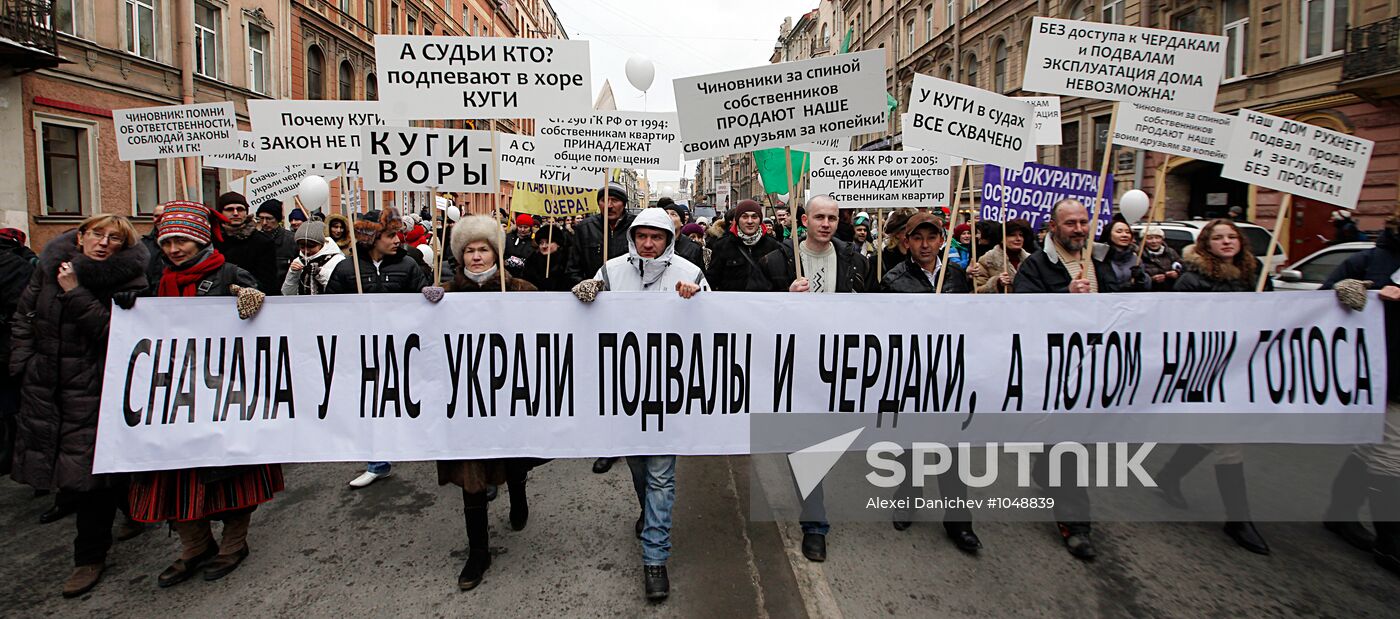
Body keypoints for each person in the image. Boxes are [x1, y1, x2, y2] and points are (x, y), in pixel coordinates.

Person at [128, 201, 279, 588]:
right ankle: (194, 547)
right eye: (168, 241)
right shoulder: (156, 277)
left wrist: (256, 302)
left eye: (182, 240)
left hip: (223, 394)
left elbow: (268, 322)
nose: (174, 249)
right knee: (175, 475)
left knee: (230, 475)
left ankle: (234, 544)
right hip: (172, 396)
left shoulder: (229, 272)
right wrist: (128, 305)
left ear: (199, 240)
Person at [569, 207, 707, 601]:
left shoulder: (689, 272)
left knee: (662, 474)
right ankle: (651, 514)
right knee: (639, 467)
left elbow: (714, 328)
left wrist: (696, 300)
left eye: (657, 237)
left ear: (668, 239)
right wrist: (587, 292)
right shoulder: (611, 270)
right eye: (642, 236)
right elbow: (584, 312)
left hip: (669, 393)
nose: (649, 244)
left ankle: (654, 557)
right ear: (632, 237)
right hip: (624, 392)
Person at [10, 215, 148, 597]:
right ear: (81, 235)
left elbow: (114, 335)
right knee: (82, 465)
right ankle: (135, 510)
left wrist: (75, 292)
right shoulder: (48, 268)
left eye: (114, 238)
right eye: (97, 234)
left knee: (90, 473)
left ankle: (88, 557)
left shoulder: (129, 281)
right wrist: (23, 365)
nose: (104, 243)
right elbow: (25, 317)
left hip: (96, 387)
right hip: (49, 384)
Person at [761, 195, 872, 564]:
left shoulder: (856, 260)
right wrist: (783, 299)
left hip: (842, 366)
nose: (826, 223)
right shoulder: (777, 260)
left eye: (833, 217)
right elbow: (751, 311)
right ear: (804, 220)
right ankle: (815, 525)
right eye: (819, 216)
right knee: (806, 448)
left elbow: (874, 308)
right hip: (796, 368)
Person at [1151, 219, 1272, 555]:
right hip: (1208, 369)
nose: (1226, 242)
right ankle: (1238, 518)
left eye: (1232, 237)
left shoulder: (1255, 276)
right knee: (1230, 442)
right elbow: (1178, 325)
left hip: (1243, 368)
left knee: (1211, 435)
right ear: (1206, 244)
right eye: (1218, 237)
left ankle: (1169, 474)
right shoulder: (1192, 279)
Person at [439, 215, 545, 591]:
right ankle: (478, 552)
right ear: (460, 255)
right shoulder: (445, 295)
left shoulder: (520, 289)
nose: (477, 257)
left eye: (484, 249)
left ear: (496, 254)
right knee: (472, 476)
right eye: (470, 250)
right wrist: (426, 307)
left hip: (511, 397)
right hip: (466, 401)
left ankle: (518, 492)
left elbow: (547, 334)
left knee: (512, 458)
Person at [1013, 198, 1119, 560]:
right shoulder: (1037, 266)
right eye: (1070, 223)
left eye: (1083, 221)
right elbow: (1023, 311)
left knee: (1076, 444)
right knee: (1068, 447)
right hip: (1056, 371)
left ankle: (1046, 471)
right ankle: (1077, 526)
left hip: (1097, 366)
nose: (1078, 228)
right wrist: (1064, 296)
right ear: (1053, 227)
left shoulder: (1100, 262)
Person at [879, 213, 982, 552]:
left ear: (942, 240)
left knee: (951, 450)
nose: (925, 245)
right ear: (906, 242)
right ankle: (907, 497)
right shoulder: (893, 280)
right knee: (911, 448)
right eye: (917, 238)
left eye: (932, 237)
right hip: (912, 377)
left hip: (949, 377)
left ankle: (959, 523)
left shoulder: (956, 277)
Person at [328, 209, 432, 488]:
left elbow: (423, 306)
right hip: (363, 352)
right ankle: (378, 462)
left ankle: (434, 448)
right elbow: (327, 311)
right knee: (373, 407)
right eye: (390, 235)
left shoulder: (408, 265)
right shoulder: (346, 269)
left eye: (398, 233)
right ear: (371, 238)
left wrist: (430, 296)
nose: (397, 240)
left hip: (403, 350)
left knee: (413, 401)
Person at [1321, 211, 1400, 575]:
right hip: (1386, 370)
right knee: (1391, 454)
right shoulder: (1369, 260)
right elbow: (1320, 307)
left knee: (1372, 445)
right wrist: (1351, 293)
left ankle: (1340, 513)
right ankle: (1391, 541)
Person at [568, 182, 636, 475]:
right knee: (602, 379)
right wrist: (586, 287)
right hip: (594, 313)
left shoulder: (636, 228)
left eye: (615, 201)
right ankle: (606, 443)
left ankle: (631, 437)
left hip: (630, 316)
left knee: (628, 377)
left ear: (623, 204)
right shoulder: (584, 229)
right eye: (603, 200)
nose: (609, 206)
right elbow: (571, 268)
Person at [705, 199, 783, 292]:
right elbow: (711, 280)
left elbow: (780, 281)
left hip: (764, 304)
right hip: (732, 304)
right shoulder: (722, 245)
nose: (750, 221)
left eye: (754, 217)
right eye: (745, 217)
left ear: (760, 220)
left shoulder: (773, 246)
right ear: (738, 219)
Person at [213, 192, 278, 293]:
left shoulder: (263, 242)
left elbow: (269, 283)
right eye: (229, 209)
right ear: (220, 212)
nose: (235, 213)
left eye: (240, 209)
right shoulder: (211, 240)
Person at [279, 221, 345, 296]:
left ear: (321, 244)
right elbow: (287, 293)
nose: (306, 251)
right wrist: (293, 273)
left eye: (311, 246)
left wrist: (320, 273)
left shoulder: (338, 260)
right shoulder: (299, 261)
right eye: (302, 247)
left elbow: (341, 289)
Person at [973, 218, 1033, 294]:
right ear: (1002, 238)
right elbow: (976, 291)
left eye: (1021, 235)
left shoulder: (1030, 261)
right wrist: (997, 283)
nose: (1018, 239)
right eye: (1012, 235)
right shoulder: (987, 260)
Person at [1093, 216, 1149, 291]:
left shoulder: (1136, 259)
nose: (1124, 235)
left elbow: (1147, 286)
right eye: (1119, 232)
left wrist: (1141, 278)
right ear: (1109, 234)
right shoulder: (1099, 257)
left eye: (1127, 232)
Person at [255, 199, 297, 295]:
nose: (264, 223)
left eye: (269, 218)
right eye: (261, 218)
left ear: (277, 219)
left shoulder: (292, 240)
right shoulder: (255, 240)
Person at [522, 222, 573, 292]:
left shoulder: (567, 261)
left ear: (558, 244)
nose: (544, 246)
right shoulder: (532, 261)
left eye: (548, 242)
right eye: (541, 243)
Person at [657, 198, 706, 269]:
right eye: (666, 214)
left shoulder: (693, 248)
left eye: (673, 214)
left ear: (682, 222)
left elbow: (700, 275)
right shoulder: (655, 244)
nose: (669, 216)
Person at [1139, 226, 1183, 292]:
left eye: (1157, 238)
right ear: (1143, 240)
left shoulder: (1170, 252)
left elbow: (1183, 267)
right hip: (1149, 293)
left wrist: (1177, 273)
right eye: (1149, 238)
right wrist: (1150, 280)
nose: (1154, 241)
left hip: (1170, 291)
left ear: (1162, 239)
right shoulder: (1139, 254)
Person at [504, 213, 536, 278]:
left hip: (525, 276)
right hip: (507, 274)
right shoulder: (508, 237)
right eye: (520, 227)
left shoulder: (534, 241)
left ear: (530, 227)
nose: (522, 230)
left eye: (525, 227)